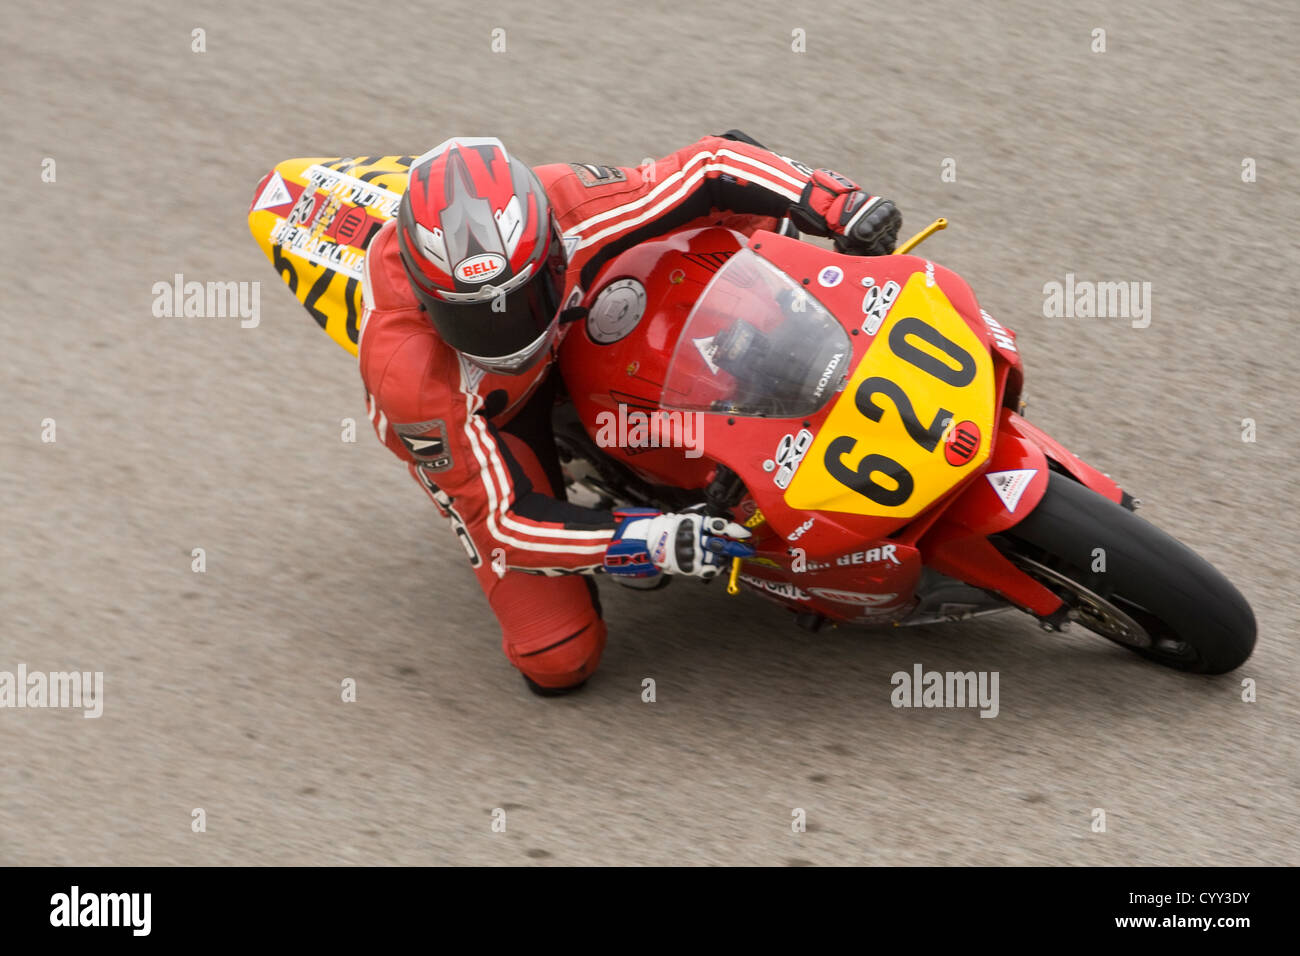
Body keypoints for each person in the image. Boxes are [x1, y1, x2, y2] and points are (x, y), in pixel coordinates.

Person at [357, 131, 902, 695]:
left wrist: (836, 203)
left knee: (754, 219)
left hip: (582, 308)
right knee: (558, 657)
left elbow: (710, 166)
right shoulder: (411, 377)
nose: (505, 328)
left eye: (519, 297)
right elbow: (506, 526)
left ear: (552, 247)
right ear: (426, 297)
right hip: (500, 413)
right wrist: (649, 539)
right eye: (472, 316)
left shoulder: (571, 204)